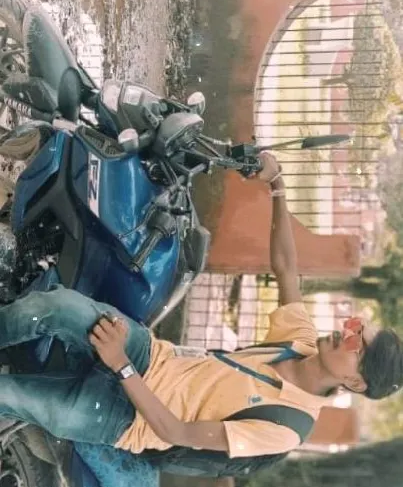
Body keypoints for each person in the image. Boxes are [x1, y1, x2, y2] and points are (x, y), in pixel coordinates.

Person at [0, 151, 402, 462]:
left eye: (357, 346)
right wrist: (277, 185)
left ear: (355, 384)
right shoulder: (301, 342)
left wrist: (119, 364)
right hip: (147, 355)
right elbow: (287, 269)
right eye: (356, 328)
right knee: (48, 306)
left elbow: (175, 432)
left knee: (8, 394)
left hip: (121, 417)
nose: (346, 334)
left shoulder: (287, 426)